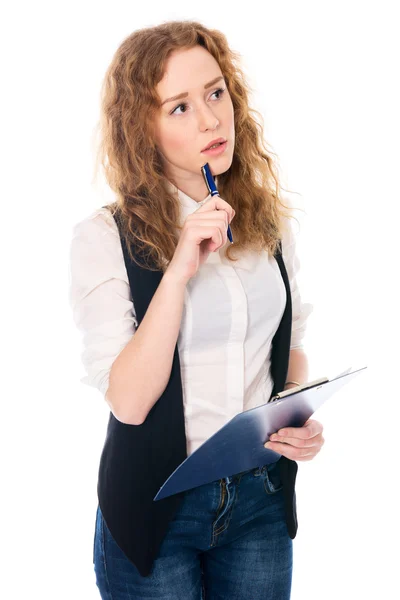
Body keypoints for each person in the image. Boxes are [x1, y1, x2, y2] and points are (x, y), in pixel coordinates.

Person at [68, 20, 325, 599]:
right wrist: (181, 267)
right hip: (158, 512)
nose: (211, 119)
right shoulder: (103, 238)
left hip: (260, 500)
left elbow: (290, 346)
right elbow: (130, 403)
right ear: (143, 130)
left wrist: (294, 418)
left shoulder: (267, 220)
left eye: (215, 93)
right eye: (178, 108)